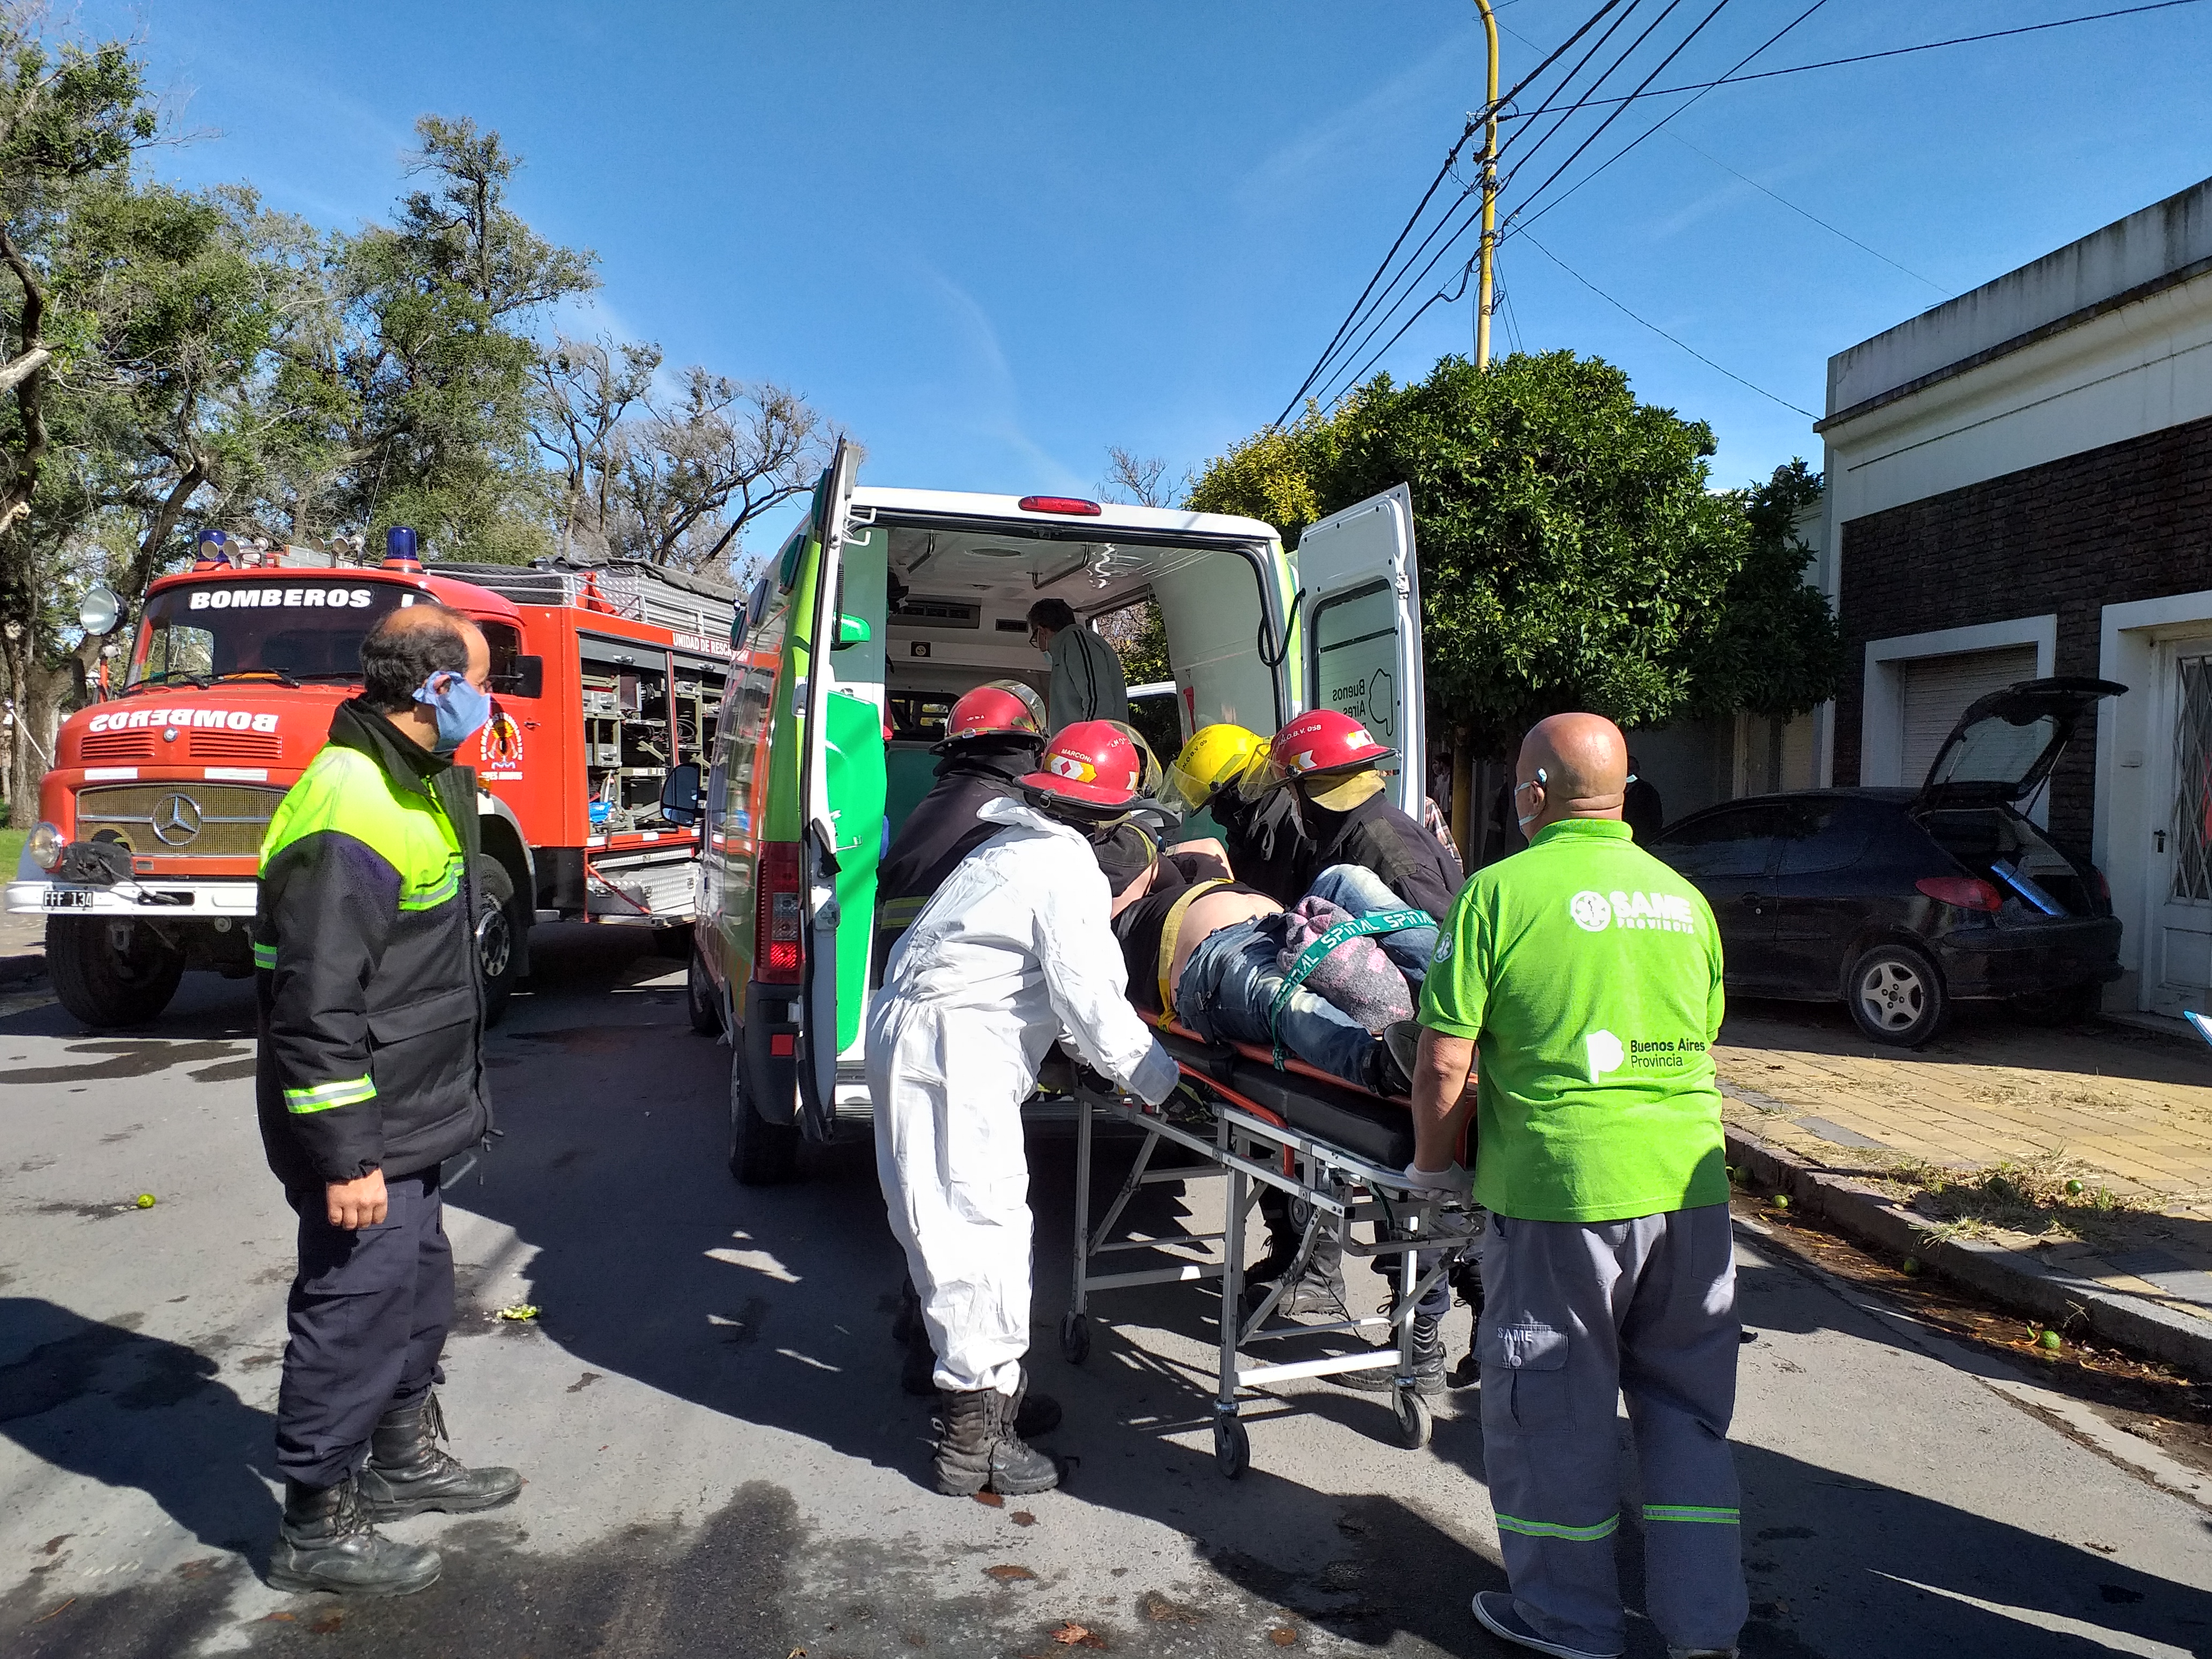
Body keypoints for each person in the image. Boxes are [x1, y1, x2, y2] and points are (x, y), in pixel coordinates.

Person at [1402, 712, 1743, 1659]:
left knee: (1551, 1414)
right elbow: (1697, 1032)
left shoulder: (1499, 895)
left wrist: (1432, 1169)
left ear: (1534, 794)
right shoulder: (1683, 899)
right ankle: (1704, 1630)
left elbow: (1442, 1064)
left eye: (1517, 783)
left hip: (1562, 1196)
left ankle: (1569, 1621)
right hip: (1691, 1191)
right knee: (1687, 1414)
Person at [253, 603, 522, 1597]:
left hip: (416, 1108)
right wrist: (348, 1155)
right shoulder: (349, 804)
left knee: (414, 1296)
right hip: (363, 1124)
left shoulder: (419, 780)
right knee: (352, 1309)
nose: (493, 704)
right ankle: (314, 1521)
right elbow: (314, 1004)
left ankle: (403, 1460)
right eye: (484, 682)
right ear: (439, 691)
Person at [869, 720, 1178, 1498]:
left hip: (924, 1040)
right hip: (950, 1055)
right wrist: (1166, 1084)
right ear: (1111, 817)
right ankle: (972, 1442)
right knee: (980, 1233)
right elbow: (1094, 1004)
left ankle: (990, 1399)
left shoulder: (1008, 848)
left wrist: (1090, 1057)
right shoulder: (1065, 869)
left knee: (954, 1226)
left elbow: (1043, 987)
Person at [874, 679, 1048, 972]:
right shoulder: (1014, 814)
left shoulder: (938, 803)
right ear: (1031, 747)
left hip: (894, 964)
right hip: (955, 971)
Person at [1259, 709, 1465, 922]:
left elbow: (1440, 945)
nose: (1293, 806)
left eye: (1293, 795)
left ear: (1317, 789)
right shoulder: (1356, 833)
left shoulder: (1386, 856)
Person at [1158, 723, 1307, 902]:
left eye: (1214, 803)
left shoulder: (1298, 828)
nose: (1215, 815)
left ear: (1235, 790)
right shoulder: (1249, 833)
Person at [1028, 597, 1128, 732]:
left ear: (1042, 632)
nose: (1039, 646)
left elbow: (1098, 702)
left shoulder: (1076, 643)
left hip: (1088, 749)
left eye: (1035, 639)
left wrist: (1085, 745)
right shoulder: (1066, 650)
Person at [1623, 753, 1665, 843]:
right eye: (1627, 768)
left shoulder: (1647, 790)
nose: (1629, 772)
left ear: (1637, 770)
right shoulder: (1617, 790)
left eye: (1632, 768)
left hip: (1641, 838)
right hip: (1623, 836)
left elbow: (1656, 817)